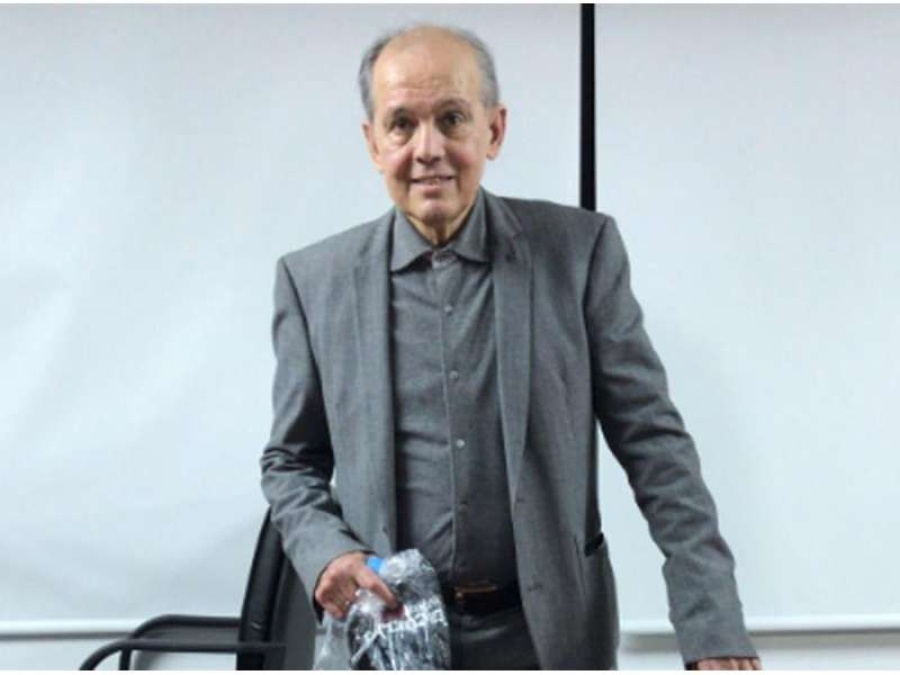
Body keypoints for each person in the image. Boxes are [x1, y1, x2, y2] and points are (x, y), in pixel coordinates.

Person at [261, 24, 761, 670]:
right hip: (389, 638)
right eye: (402, 124)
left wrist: (713, 626)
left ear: (493, 131)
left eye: (451, 119)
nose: (428, 149)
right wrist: (326, 550)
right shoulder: (313, 282)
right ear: (373, 143)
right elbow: (290, 460)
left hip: (549, 637)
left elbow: (656, 447)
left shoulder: (579, 254)